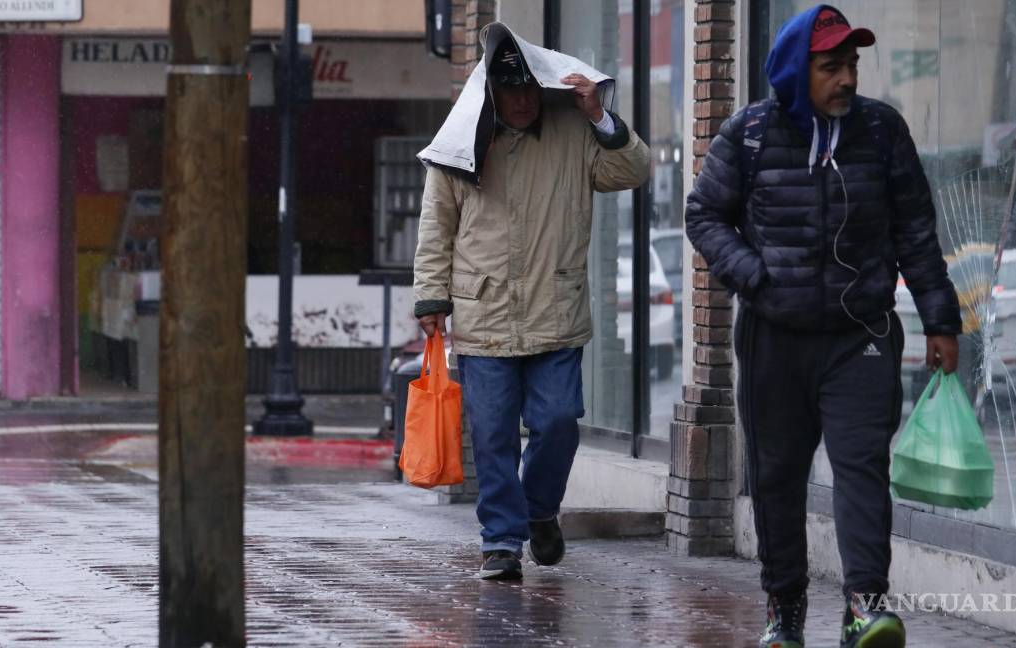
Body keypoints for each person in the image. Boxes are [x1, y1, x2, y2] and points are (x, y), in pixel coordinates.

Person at [685, 6, 961, 648]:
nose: (846, 79)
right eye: (830, 66)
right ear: (795, 71)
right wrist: (753, 275)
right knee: (777, 476)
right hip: (773, 340)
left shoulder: (882, 131)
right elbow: (704, 215)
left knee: (861, 466)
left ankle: (866, 605)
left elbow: (916, 232)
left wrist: (940, 320)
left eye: (852, 65)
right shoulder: (749, 132)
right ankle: (785, 612)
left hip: (859, 333)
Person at [412, 24, 650, 581]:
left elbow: (632, 170)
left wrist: (597, 117)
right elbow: (436, 225)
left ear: (542, 90)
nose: (520, 101)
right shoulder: (460, 138)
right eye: (508, 90)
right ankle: (501, 541)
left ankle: (540, 509)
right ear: (491, 93)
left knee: (559, 421)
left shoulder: (572, 131)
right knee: (492, 434)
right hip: (483, 313)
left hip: (555, 311)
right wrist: (431, 296)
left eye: (528, 90)